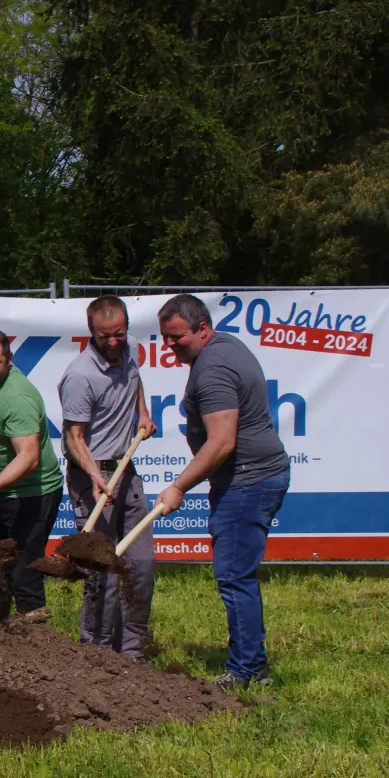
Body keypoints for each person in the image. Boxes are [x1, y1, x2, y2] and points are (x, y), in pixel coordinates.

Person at [157, 294, 290, 689]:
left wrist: (178, 486)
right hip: (254, 476)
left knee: (234, 576)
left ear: (202, 329)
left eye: (177, 337)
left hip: (246, 482)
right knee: (238, 574)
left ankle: (247, 671)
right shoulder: (225, 345)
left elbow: (221, 443)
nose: (169, 345)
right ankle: (252, 661)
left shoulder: (213, 368)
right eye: (164, 337)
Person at [58, 297, 157, 662]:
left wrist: (142, 413)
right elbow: (74, 437)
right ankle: (95, 654)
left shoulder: (128, 351)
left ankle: (131, 652)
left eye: (119, 334)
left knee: (141, 565)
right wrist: (95, 476)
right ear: (91, 332)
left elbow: (135, 379)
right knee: (104, 572)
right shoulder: (80, 375)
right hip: (91, 475)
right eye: (105, 336)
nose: (114, 342)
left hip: (125, 471)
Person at [0, 328, 64, 623]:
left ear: (9, 360)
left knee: (23, 570)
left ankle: (35, 644)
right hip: (0, 491)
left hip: (32, 494)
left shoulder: (17, 397)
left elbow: (29, 457)